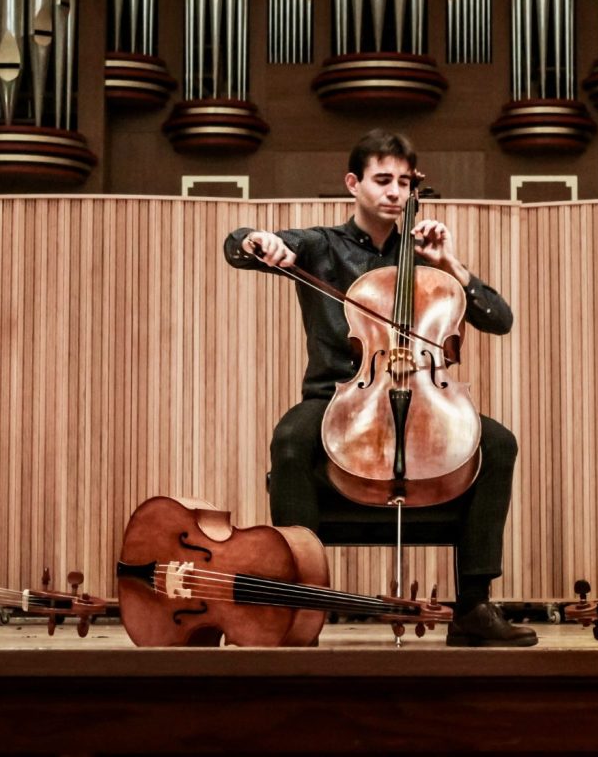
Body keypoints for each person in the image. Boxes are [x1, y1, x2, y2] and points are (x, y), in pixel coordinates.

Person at [223, 128, 536, 647]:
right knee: (289, 441)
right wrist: (258, 240)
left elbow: (498, 320)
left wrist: (450, 264)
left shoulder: (428, 258)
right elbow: (238, 247)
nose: (395, 192)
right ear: (354, 183)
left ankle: (473, 606)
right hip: (338, 396)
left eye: (404, 182)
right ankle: (299, 598)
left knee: (498, 443)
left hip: (424, 394)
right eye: (383, 180)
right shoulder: (321, 247)